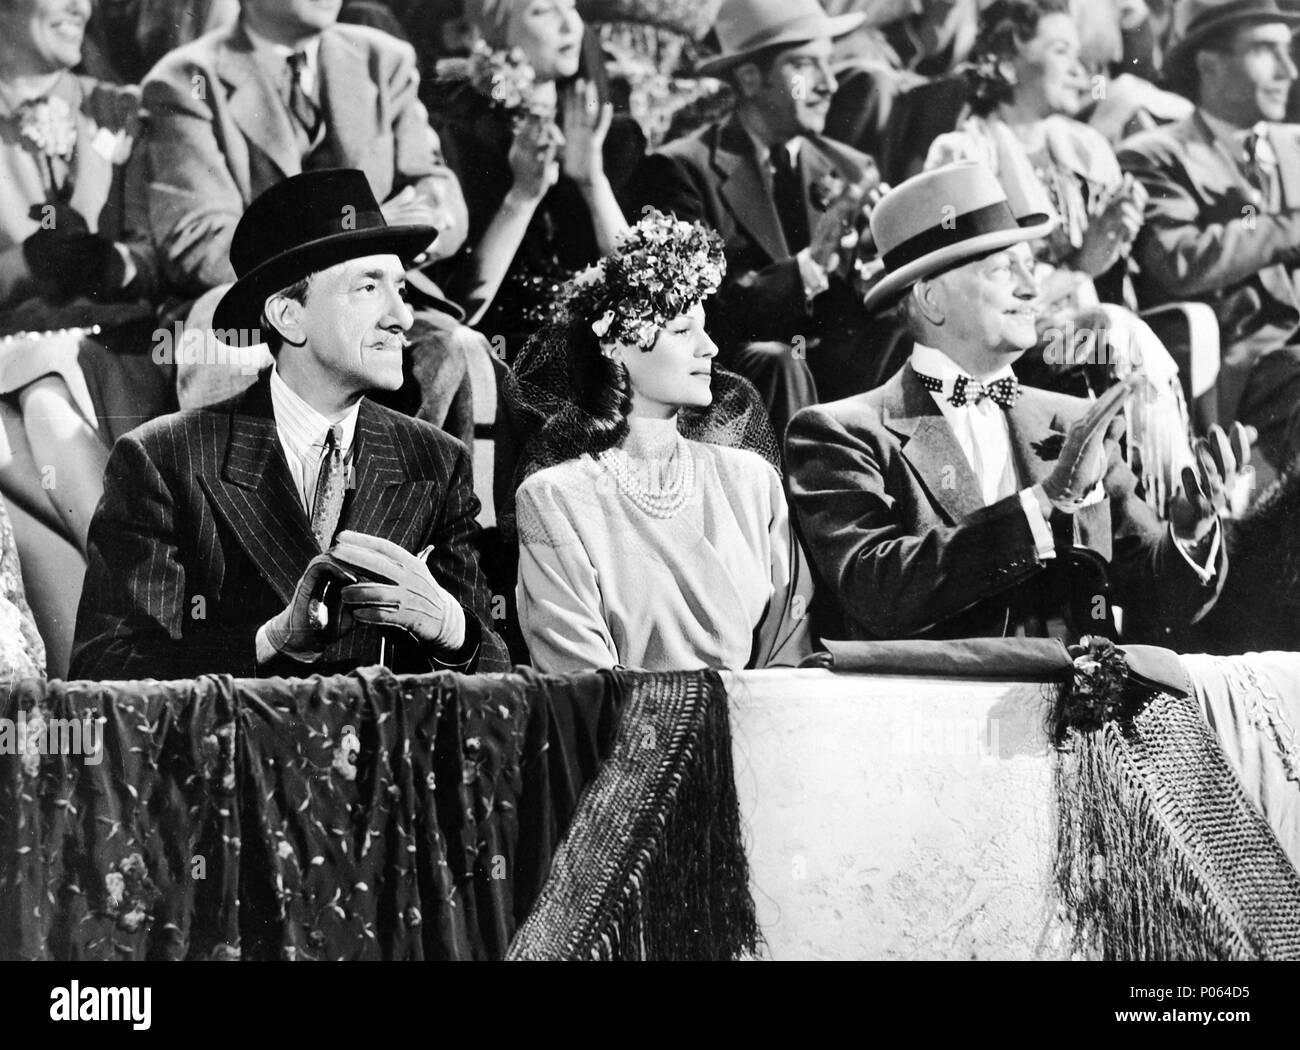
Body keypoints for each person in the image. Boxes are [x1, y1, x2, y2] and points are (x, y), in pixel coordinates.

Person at [71, 169, 510, 681]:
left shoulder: (436, 460)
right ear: (287, 316)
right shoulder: (164, 458)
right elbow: (105, 675)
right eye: (368, 286)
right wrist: (270, 640)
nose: (403, 318)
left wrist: (453, 631)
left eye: (402, 290)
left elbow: (501, 684)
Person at [786, 163, 1235, 644]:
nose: (1031, 286)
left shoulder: (1073, 420)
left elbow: (1149, 597)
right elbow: (880, 594)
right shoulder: (839, 433)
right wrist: (1046, 500)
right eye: (1003, 269)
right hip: (932, 712)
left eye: (1029, 265)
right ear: (932, 299)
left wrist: (1189, 532)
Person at [142, 0, 478, 448]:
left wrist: (421, 221)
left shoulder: (383, 60)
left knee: (452, 349)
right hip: (258, 299)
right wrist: (354, 242)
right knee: (225, 346)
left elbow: (435, 189)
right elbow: (198, 239)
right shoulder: (187, 78)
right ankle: (240, 513)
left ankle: (411, 513)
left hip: (372, 290)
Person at [514, 210, 812, 672]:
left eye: (705, 327)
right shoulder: (556, 498)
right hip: (627, 737)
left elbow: (790, 648)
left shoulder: (754, 483)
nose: (709, 347)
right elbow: (579, 685)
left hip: (757, 731)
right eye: (681, 331)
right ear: (613, 345)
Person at [925, 0, 1192, 512]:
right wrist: (1078, 267)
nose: (1083, 68)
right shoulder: (961, 153)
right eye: (1061, 50)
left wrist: (1116, 240)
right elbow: (971, 303)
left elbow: (1113, 278)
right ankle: (1166, 500)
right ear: (1004, 61)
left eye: (1082, 52)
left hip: (1082, 340)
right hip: (1006, 352)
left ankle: (1172, 496)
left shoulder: (1087, 148)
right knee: (1111, 327)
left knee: (1125, 324)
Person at [625, 0, 887, 441]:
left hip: (830, 370)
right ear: (750, 78)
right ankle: (794, 509)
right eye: (806, 66)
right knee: (779, 359)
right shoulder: (683, 169)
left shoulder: (850, 167)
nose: (829, 85)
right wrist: (813, 262)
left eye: (830, 65)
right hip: (739, 375)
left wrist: (874, 270)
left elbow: (852, 314)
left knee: (897, 333)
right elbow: (699, 314)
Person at [0, 0, 172, 554]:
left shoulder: (121, 108)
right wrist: (28, 265)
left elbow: (163, 253)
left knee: (46, 408)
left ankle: (138, 589)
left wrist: (111, 264)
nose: (81, 6)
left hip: (122, 352)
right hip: (13, 359)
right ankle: (137, 591)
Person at [1119, 0, 1300, 472]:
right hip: (1249, 368)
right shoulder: (1155, 155)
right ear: (1210, 64)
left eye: (1289, 52)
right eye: (1266, 51)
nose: (1289, 70)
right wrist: (1288, 228)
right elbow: (1179, 261)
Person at [426, 0, 628, 353]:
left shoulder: (611, 137)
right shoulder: (457, 138)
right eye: (542, 11)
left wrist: (592, 182)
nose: (570, 25)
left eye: (571, 6)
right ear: (496, 36)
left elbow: (641, 293)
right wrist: (522, 197)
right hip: (504, 352)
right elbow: (457, 310)